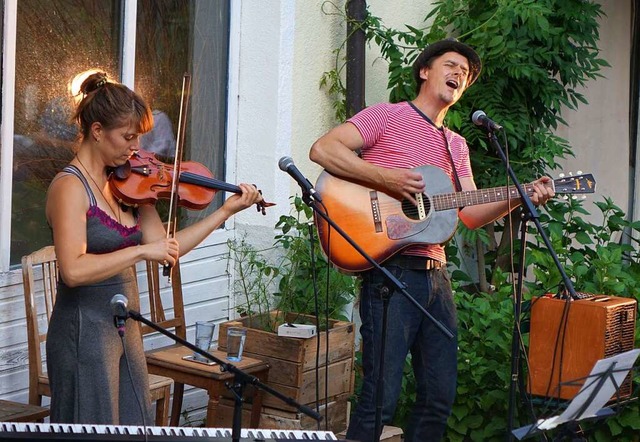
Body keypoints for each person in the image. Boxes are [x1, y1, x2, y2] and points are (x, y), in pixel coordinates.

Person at [309, 38, 554, 442]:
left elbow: (471, 213)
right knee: (379, 398)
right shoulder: (385, 117)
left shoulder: (455, 145)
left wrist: (519, 194)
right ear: (425, 70)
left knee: (439, 397)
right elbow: (323, 149)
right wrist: (388, 178)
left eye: (467, 73)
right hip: (391, 273)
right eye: (452, 65)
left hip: (436, 280)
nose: (460, 74)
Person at [45, 71, 263, 425]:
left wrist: (224, 211)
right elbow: (73, 270)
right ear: (97, 131)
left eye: (138, 138)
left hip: (124, 326)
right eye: (127, 137)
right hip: (84, 330)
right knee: (90, 428)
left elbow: (166, 248)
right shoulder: (69, 187)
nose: (136, 148)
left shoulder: (128, 184)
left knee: (135, 425)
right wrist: (139, 253)